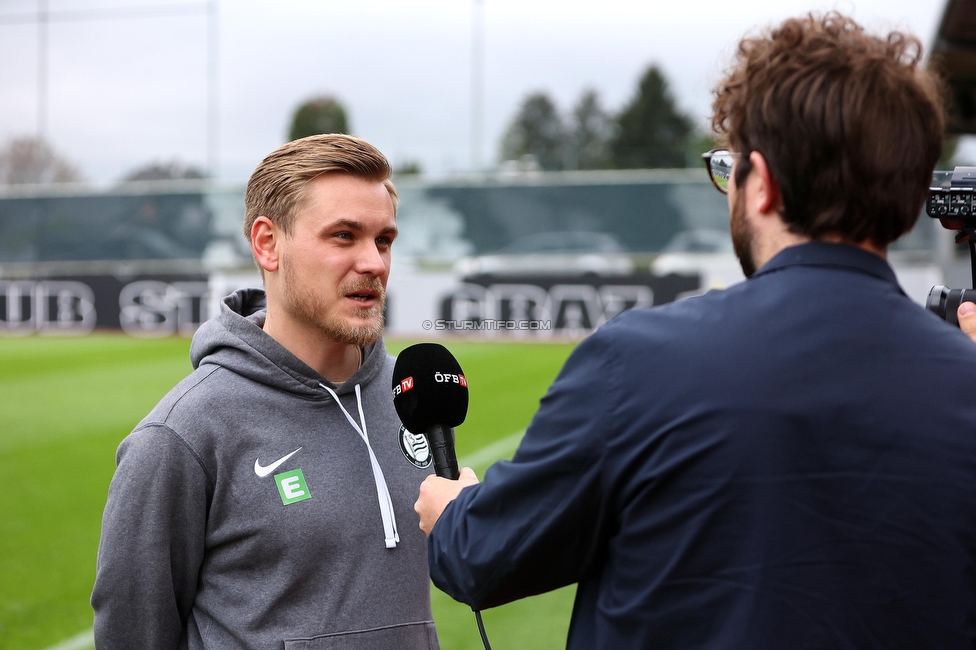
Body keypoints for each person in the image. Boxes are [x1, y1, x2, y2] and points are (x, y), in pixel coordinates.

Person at [415, 13, 976, 649]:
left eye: (728, 169)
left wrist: (452, 510)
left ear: (760, 184)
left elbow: (481, 557)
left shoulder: (641, 361)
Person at [92, 134, 439, 649]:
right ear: (267, 243)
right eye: (344, 236)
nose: (375, 263)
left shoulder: (413, 397)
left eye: (383, 240)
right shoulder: (180, 436)